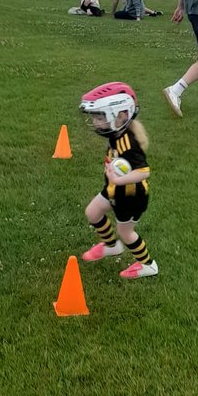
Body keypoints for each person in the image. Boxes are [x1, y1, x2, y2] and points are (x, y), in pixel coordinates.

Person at [78, 82, 158, 279]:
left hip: (131, 196)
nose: (96, 122)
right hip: (114, 189)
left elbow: (143, 172)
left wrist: (117, 179)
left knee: (126, 232)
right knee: (92, 212)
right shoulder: (116, 134)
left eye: (100, 117)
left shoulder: (129, 143)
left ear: (121, 115)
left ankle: (148, 265)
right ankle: (112, 246)